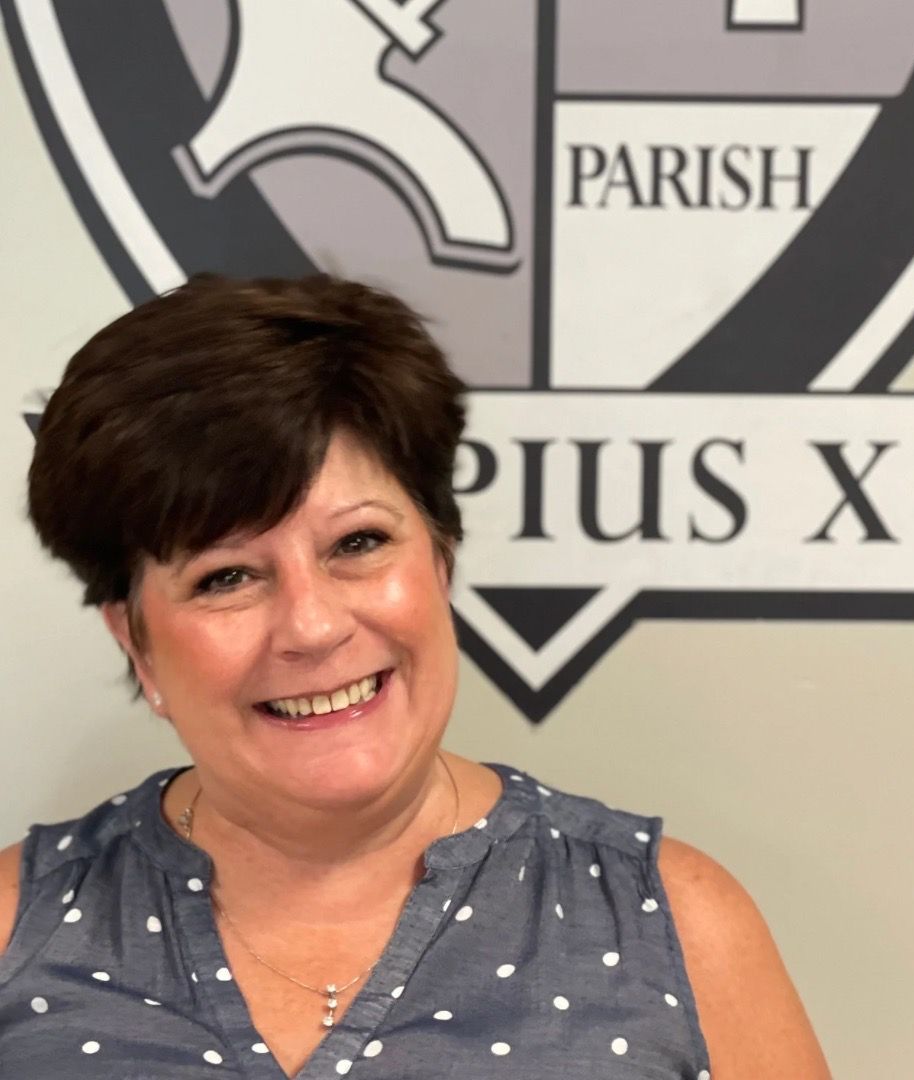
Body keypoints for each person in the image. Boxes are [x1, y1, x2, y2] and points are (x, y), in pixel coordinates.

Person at [0, 275, 829, 1078]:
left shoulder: (676, 921)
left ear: (440, 560)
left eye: (357, 543)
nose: (314, 625)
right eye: (226, 577)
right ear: (136, 642)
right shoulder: (12, 929)